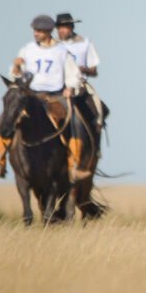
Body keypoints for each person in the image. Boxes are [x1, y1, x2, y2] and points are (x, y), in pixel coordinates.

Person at [0, 15, 84, 180]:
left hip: (55, 96)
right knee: (6, 118)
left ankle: (74, 165)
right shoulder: (28, 49)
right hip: (30, 95)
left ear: (49, 31)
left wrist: (70, 88)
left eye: (39, 31)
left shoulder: (61, 51)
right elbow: (15, 75)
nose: (36, 33)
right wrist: (17, 65)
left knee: (75, 119)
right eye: (35, 30)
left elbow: (73, 73)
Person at [55, 13, 106, 180]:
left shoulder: (84, 43)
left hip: (80, 87)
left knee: (99, 109)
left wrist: (81, 69)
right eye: (60, 27)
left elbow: (95, 70)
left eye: (65, 27)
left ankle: (94, 148)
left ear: (71, 28)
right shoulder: (53, 46)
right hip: (57, 87)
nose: (62, 30)